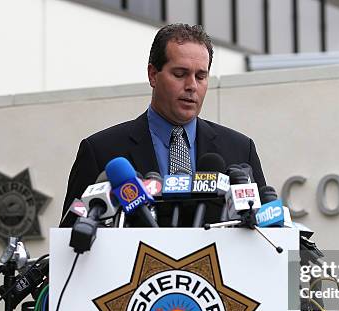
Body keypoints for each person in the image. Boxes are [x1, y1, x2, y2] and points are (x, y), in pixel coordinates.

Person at [61, 23, 266, 227]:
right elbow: (70, 238)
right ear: (152, 75)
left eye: (201, 76)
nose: (192, 86)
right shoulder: (101, 151)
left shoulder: (240, 150)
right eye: (180, 74)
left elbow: (265, 232)